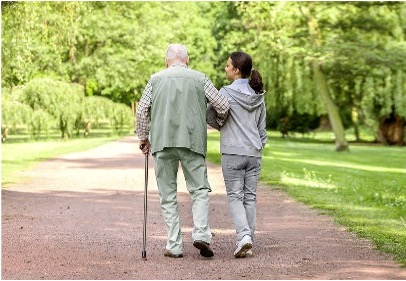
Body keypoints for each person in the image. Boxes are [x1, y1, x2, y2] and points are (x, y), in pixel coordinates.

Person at [136, 43, 230, 258]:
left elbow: (142, 111)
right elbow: (223, 105)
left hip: (162, 142)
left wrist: (144, 138)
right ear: (187, 60)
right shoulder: (200, 78)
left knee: (167, 195)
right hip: (192, 141)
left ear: (166, 61)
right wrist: (215, 122)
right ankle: (201, 234)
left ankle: (174, 245)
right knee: (199, 191)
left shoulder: (155, 79)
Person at [207, 51, 267, 258]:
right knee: (250, 197)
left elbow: (210, 115)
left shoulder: (224, 93)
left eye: (227, 66)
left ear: (236, 70)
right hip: (254, 153)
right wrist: (259, 146)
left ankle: (244, 237)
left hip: (232, 152)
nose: (225, 69)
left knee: (234, 196)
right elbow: (262, 130)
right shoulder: (258, 95)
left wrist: (220, 125)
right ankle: (247, 239)